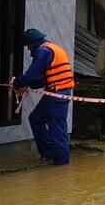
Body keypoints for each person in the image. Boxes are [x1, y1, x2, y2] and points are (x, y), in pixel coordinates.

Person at [13, 29, 75, 166]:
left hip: (57, 95)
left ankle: (61, 165)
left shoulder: (43, 51)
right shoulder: (50, 48)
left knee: (57, 130)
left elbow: (33, 73)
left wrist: (18, 82)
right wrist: (27, 85)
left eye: (28, 46)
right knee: (36, 119)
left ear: (33, 43)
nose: (29, 50)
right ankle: (48, 154)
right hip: (55, 93)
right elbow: (43, 79)